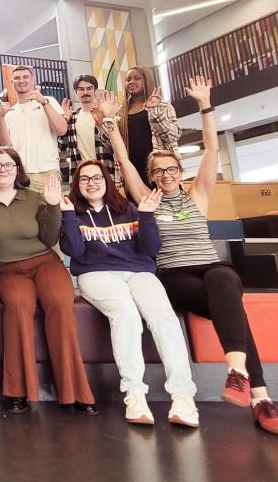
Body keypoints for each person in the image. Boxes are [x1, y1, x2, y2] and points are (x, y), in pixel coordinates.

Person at [101, 77, 278, 436]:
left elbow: (211, 150)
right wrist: (110, 122)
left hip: (211, 269)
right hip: (174, 277)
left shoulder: (198, 195)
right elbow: (123, 159)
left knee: (224, 280)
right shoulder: (148, 198)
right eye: (158, 171)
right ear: (152, 176)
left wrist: (205, 104)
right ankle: (261, 398)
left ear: (180, 171)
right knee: (232, 306)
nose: (165, 175)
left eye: (171, 169)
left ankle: (238, 373)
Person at [60, 159, 199, 427]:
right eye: (85, 179)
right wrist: (66, 216)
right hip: (95, 273)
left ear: (106, 181)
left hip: (138, 272)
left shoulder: (130, 210)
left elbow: (150, 249)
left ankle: (183, 396)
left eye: (97, 178)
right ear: (77, 185)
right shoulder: (73, 214)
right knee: (126, 315)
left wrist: (147, 216)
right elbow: (74, 252)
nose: (91, 183)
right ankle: (134, 394)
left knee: (163, 318)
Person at [0, 146, 96, 414]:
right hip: (7, 269)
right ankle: (17, 391)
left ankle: (73, 390)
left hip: (44, 262)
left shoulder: (33, 198)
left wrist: (54, 205)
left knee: (59, 304)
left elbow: (49, 239)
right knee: (19, 306)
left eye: (9, 165)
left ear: (18, 169)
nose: (3, 169)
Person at [0, 65, 67, 193]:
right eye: (17, 78)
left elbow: (61, 130)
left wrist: (44, 102)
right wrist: (1, 117)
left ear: (33, 80)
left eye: (25, 77)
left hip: (48, 171)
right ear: (12, 82)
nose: (21, 80)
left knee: (51, 212)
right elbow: (6, 145)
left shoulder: (48, 101)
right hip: (20, 174)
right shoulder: (10, 112)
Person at [117, 66, 181, 185]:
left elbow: (173, 136)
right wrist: (102, 123)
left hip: (160, 170)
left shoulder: (163, 106)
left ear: (146, 81)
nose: (131, 82)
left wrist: (154, 112)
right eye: (128, 79)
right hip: (131, 171)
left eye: (137, 78)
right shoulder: (121, 111)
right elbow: (114, 146)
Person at [59, 75, 118, 187]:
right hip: (81, 173)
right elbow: (64, 148)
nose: (85, 92)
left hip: (106, 169)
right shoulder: (72, 118)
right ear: (76, 92)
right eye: (81, 89)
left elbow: (115, 146)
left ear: (95, 90)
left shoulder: (106, 115)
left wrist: (102, 123)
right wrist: (64, 120)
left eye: (89, 88)